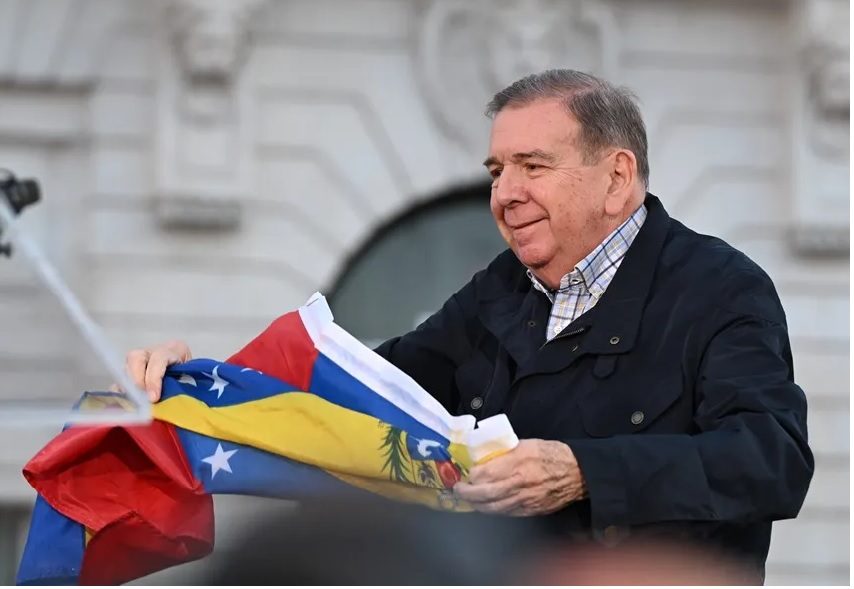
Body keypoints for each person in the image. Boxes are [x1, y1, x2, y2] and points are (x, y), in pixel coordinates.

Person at [121, 69, 813, 582]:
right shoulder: (497, 291)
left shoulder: (723, 287)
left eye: (532, 166)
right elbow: (359, 389)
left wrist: (584, 471)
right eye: (496, 170)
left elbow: (771, 460)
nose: (504, 194)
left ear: (616, 177)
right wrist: (204, 380)